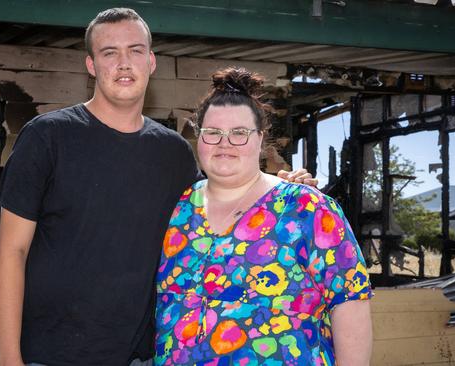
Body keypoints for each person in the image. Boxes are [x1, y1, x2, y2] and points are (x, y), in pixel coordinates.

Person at [0, 8, 317, 366]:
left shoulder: (174, 153)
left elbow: (224, 204)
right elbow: (11, 253)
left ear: (150, 62)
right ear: (91, 65)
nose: (123, 63)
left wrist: (280, 187)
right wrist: (10, 360)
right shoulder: (47, 137)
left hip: (142, 356)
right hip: (50, 354)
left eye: (134, 51)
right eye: (109, 52)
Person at [154, 67, 373, 365]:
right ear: (199, 137)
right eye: (212, 132)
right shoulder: (180, 207)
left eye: (239, 133)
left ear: (260, 139)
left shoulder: (306, 208)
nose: (224, 142)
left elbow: (350, 305)